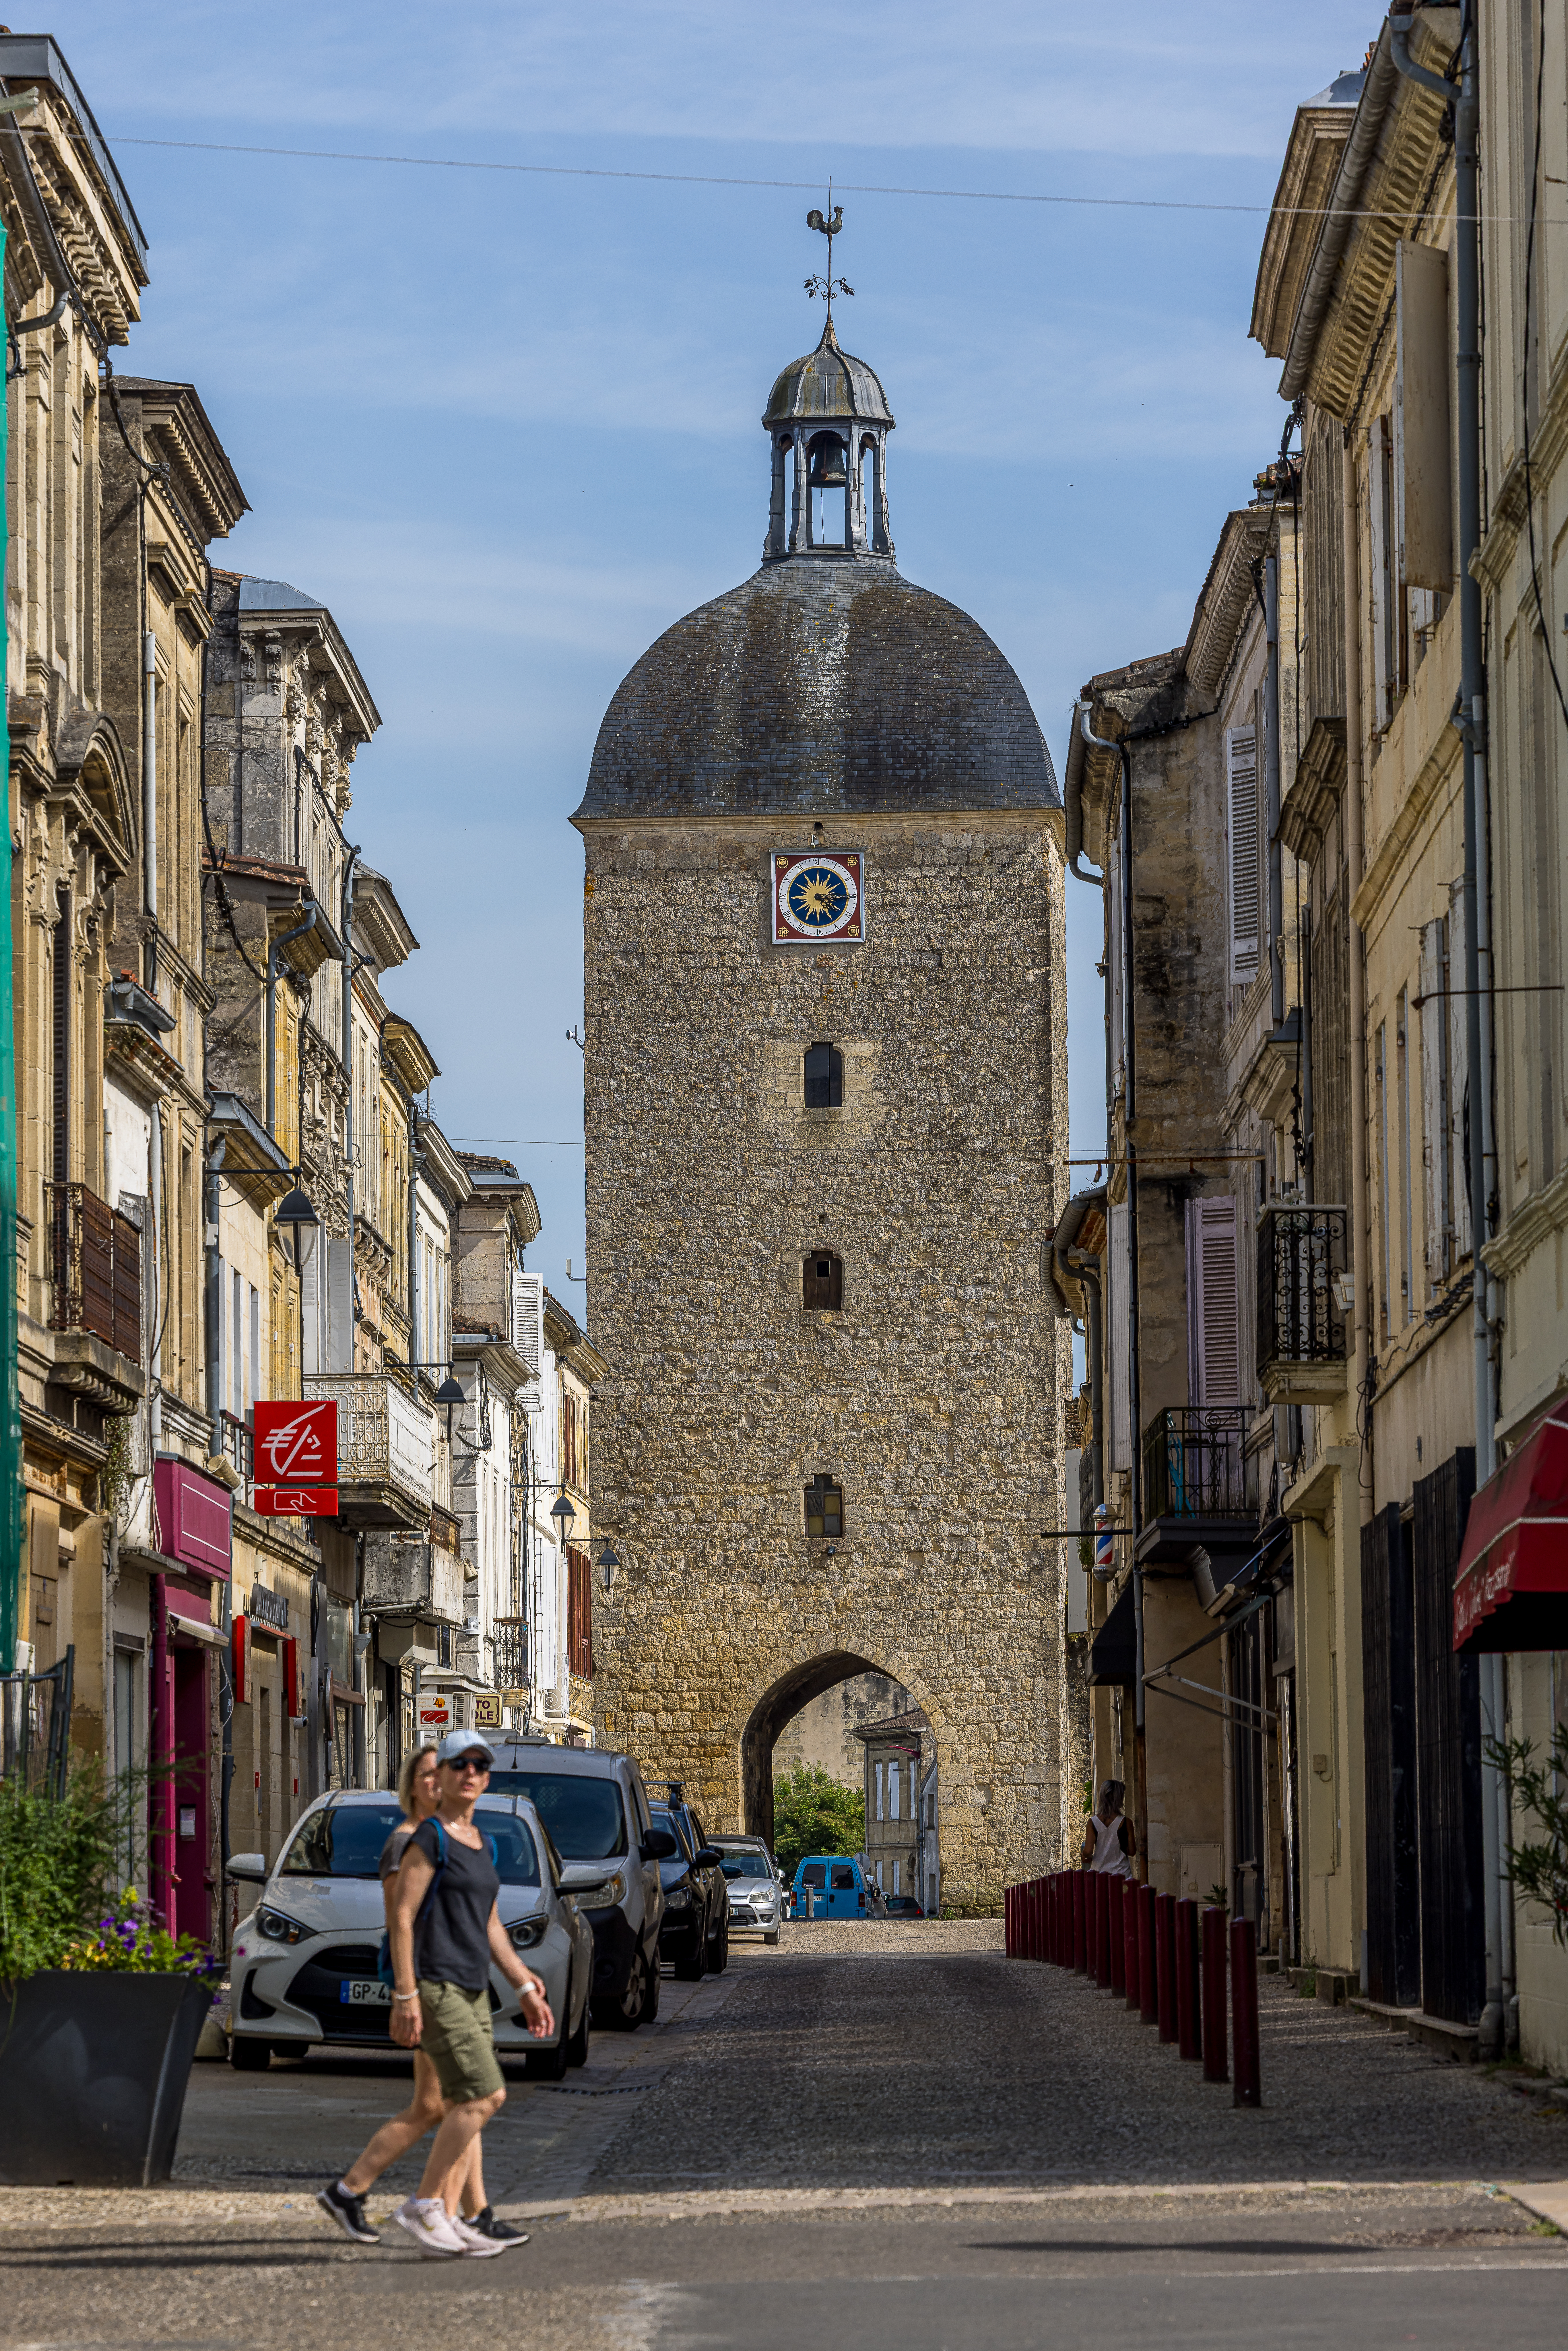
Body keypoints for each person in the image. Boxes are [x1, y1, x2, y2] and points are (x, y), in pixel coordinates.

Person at [316, 1745, 525, 2251]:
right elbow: (401, 1921)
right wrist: (402, 1994)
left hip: (449, 1979)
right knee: (462, 2097)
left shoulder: (458, 1840)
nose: (439, 1783)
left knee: (442, 2102)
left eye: (443, 1774)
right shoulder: (410, 1841)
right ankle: (454, 2210)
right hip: (424, 1981)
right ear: (414, 1784)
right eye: (431, 1775)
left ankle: (384, 2197)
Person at [387, 1730, 555, 2259]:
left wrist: (525, 1984)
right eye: (460, 1765)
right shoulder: (429, 1838)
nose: (470, 1775)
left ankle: (455, 2217)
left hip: (472, 1983)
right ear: (443, 1776)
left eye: (480, 1766)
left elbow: (491, 1927)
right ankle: (425, 2204)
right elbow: (402, 1918)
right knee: (487, 2094)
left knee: (464, 2100)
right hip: (436, 1983)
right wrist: (406, 1993)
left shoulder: (480, 1841)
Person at [1080, 1778, 1136, 1877]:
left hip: (1100, 1876)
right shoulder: (1127, 1823)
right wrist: (1116, 1848)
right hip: (1122, 1875)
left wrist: (1085, 1855)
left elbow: (1088, 1851)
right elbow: (1132, 1851)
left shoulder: (1093, 1823)